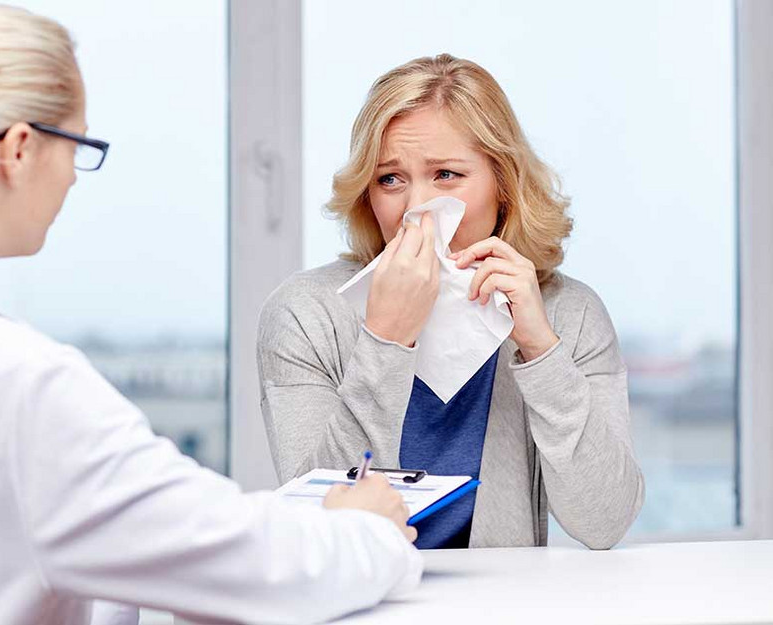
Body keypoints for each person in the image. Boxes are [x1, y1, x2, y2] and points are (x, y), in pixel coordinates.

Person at [0, 5, 426, 625]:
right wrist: (363, 529)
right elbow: (255, 568)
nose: (75, 176)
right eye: (75, 146)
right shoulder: (19, 384)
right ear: (18, 148)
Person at [257, 54, 643, 551]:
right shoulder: (306, 314)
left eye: (445, 175)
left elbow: (604, 521)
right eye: (389, 179)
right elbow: (319, 524)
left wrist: (542, 350)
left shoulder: (571, 313)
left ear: (504, 185)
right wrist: (385, 338)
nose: (417, 208)